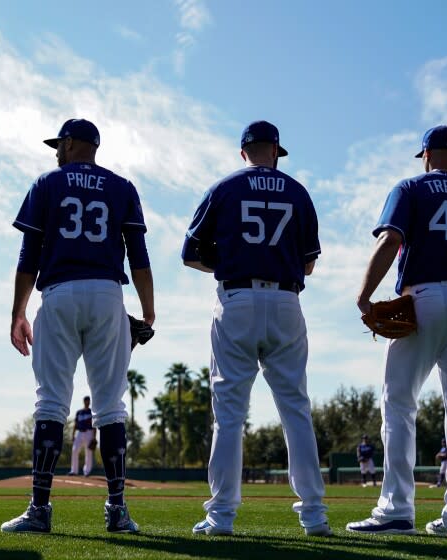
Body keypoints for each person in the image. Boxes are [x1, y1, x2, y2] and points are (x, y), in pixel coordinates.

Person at [1, 118, 155, 535]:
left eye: (59, 143)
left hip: (60, 293)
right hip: (108, 296)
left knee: (51, 402)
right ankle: (118, 511)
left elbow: (28, 255)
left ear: (70, 144)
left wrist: (18, 311)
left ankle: (39, 510)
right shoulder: (122, 186)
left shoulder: (47, 182)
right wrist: (148, 310)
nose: (56, 150)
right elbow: (138, 256)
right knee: (111, 406)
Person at [346, 125, 447, 539]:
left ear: (426, 154)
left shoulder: (411, 187)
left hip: (426, 295)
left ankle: (396, 509)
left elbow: (390, 239)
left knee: (398, 401)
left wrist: (364, 297)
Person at [181, 120, 331, 537]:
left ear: (242, 150)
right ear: (276, 150)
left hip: (237, 299)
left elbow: (190, 254)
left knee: (228, 415)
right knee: (295, 410)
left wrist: (231, 262)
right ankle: (314, 515)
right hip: (286, 300)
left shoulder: (224, 188)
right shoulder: (298, 191)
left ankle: (221, 517)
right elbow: (308, 264)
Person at [68, 396, 97, 476]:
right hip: (80, 432)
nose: (87, 402)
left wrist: (94, 437)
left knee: (88, 452)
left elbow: (94, 425)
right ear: (84, 402)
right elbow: (75, 424)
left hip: (89, 432)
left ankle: (87, 471)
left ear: (89, 402)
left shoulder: (91, 412)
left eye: (88, 401)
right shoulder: (79, 412)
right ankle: (74, 471)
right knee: (75, 450)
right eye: (86, 401)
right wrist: (73, 434)